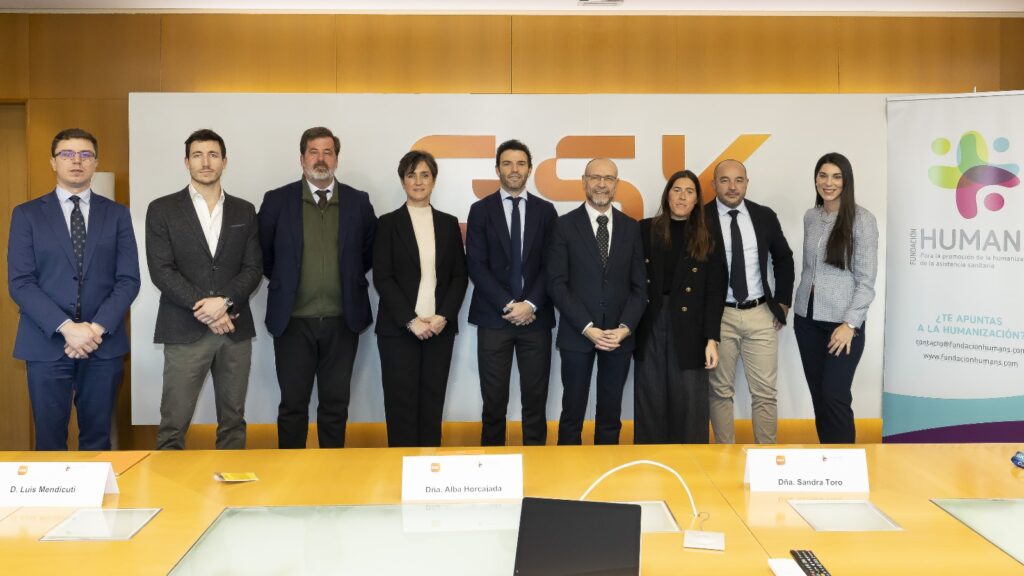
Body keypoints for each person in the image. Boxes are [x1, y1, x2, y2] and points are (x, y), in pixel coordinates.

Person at [8, 128, 141, 451]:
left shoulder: (117, 214)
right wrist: (68, 328)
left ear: (95, 162)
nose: (76, 161)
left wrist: (93, 330)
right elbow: (21, 282)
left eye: (85, 155)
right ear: (53, 162)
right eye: (67, 154)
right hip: (46, 343)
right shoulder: (27, 214)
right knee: (49, 441)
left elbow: (128, 280)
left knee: (98, 439)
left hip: (102, 345)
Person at [258, 126, 377, 449]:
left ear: (336, 158)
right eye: (314, 152)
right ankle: (290, 473)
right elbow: (264, 255)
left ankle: (333, 473)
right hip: (293, 322)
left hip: (342, 321)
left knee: (335, 407)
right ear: (302, 159)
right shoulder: (277, 201)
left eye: (328, 152)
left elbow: (367, 254)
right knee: (292, 406)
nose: (320, 159)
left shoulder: (358, 202)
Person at [146, 129, 262, 450]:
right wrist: (208, 308)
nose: (206, 162)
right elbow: (161, 271)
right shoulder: (162, 209)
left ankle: (231, 483)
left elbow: (253, 268)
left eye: (213, 155)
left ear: (225, 161)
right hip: (184, 329)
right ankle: (170, 482)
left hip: (234, 331)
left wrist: (224, 302)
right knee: (173, 425)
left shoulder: (244, 210)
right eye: (197, 155)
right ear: (187, 162)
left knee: (233, 423)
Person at [547, 158, 646, 445]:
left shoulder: (631, 228)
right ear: (584, 181)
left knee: (610, 416)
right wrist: (587, 327)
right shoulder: (564, 226)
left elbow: (639, 287)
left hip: (619, 338)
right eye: (595, 177)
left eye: (609, 178)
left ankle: (607, 471)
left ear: (616, 184)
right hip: (578, 335)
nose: (602, 184)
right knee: (572, 414)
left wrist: (625, 328)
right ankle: (568, 471)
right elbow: (556, 284)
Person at [373, 150, 467, 447]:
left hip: (439, 329)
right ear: (402, 181)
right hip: (399, 331)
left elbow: (459, 276)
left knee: (432, 403)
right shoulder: (387, 223)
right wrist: (410, 320)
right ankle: (399, 469)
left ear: (434, 181)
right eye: (411, 175)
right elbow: (382, 277)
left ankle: (429, 468)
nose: (418, 181)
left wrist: (443, 317)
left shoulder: (448, 223)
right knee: (400, 405)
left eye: (425, 175)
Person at [466, 139, 557, 446]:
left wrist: (530, 304)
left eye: (520, 163)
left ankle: (537, 463)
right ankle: (491, 464)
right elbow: (476, 265)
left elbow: (552, 265)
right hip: (494, 319)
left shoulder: (546, 211)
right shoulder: (480, 210)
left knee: (535, 402)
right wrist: (509, 304)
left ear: (529, 169)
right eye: (507, 163)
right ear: (497, 169)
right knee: (493, 404)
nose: (514, 169)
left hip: (536, 320)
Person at [705, 159, 794, 445]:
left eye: (738, 180)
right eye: (725, 180)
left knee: (765, 393)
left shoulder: (764, 215)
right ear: (714, 184)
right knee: (720, 392)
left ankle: (766, 456)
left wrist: (783, 302)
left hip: (760, 314)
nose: (732, 187)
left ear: (746, 182)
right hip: (719, 317)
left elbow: (783, 259)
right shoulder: (700, 218)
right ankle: (724, 455)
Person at [634, 170, 726, 444]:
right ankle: (650, 460)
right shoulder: (645, 229)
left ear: (697, 199)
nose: (682, 196)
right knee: (650, 395)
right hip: (650, 320)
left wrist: (712, 339)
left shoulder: (708, 234)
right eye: (677, 190)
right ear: (667, 195)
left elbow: (715, 291)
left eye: (689, 191)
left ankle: (691, 462)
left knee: (689, 399)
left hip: (691, 325)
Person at [793, 152, 878, 444]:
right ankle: (826, 458)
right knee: (819, 395)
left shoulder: (862, 220)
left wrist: (850, 324)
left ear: (846, 181)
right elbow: (809, 269)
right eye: (823, 175)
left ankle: (846, 461)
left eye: (836, 176)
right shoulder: (811, 217)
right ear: (816, 179)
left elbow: (866, 281)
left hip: (842, 325)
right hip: (806, 320)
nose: (828, 183)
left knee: (834, 395)